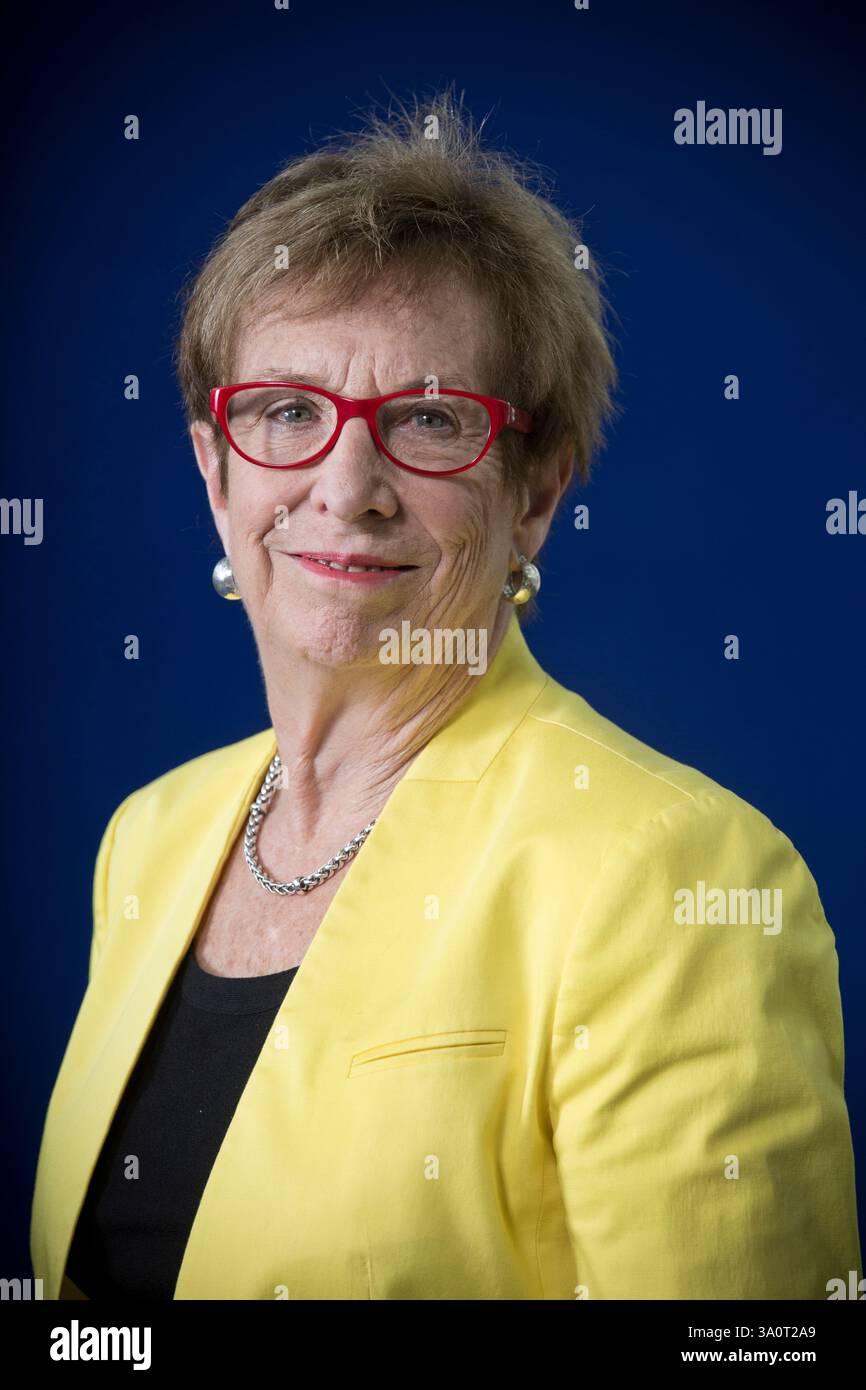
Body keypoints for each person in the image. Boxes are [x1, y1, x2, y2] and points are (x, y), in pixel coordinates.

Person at [31, 90, 860, 1300]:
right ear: (216, 472)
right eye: (285, 412)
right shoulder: (147, 841)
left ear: (532, 492)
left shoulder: (670, 876)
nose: (344, 484)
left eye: (425, 419)